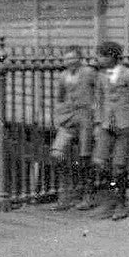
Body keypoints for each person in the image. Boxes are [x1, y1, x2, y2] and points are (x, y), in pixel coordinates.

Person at [91, 41, 129, 221]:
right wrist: (98, 123)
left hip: (124, 125)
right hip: (107, 125)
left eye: (101, 55)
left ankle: (120, 204)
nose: (98, 59)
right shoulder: (100, 76)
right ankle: (110, 200)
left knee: (119, 165)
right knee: (99, 161)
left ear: (112, 56)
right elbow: (98, 100)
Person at [51, 46, 97, 211]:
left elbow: (100, 92)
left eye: (72, 58)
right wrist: (59, 116)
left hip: (86, 118)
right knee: (57, 153)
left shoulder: (89, 72)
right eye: (66, 59)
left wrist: (97, 114)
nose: (69, 62)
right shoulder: (63, 76)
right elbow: (60, 98)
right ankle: (66, 195)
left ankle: (87, 196)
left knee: (85, 157)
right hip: (68, 118)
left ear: (80, 58)